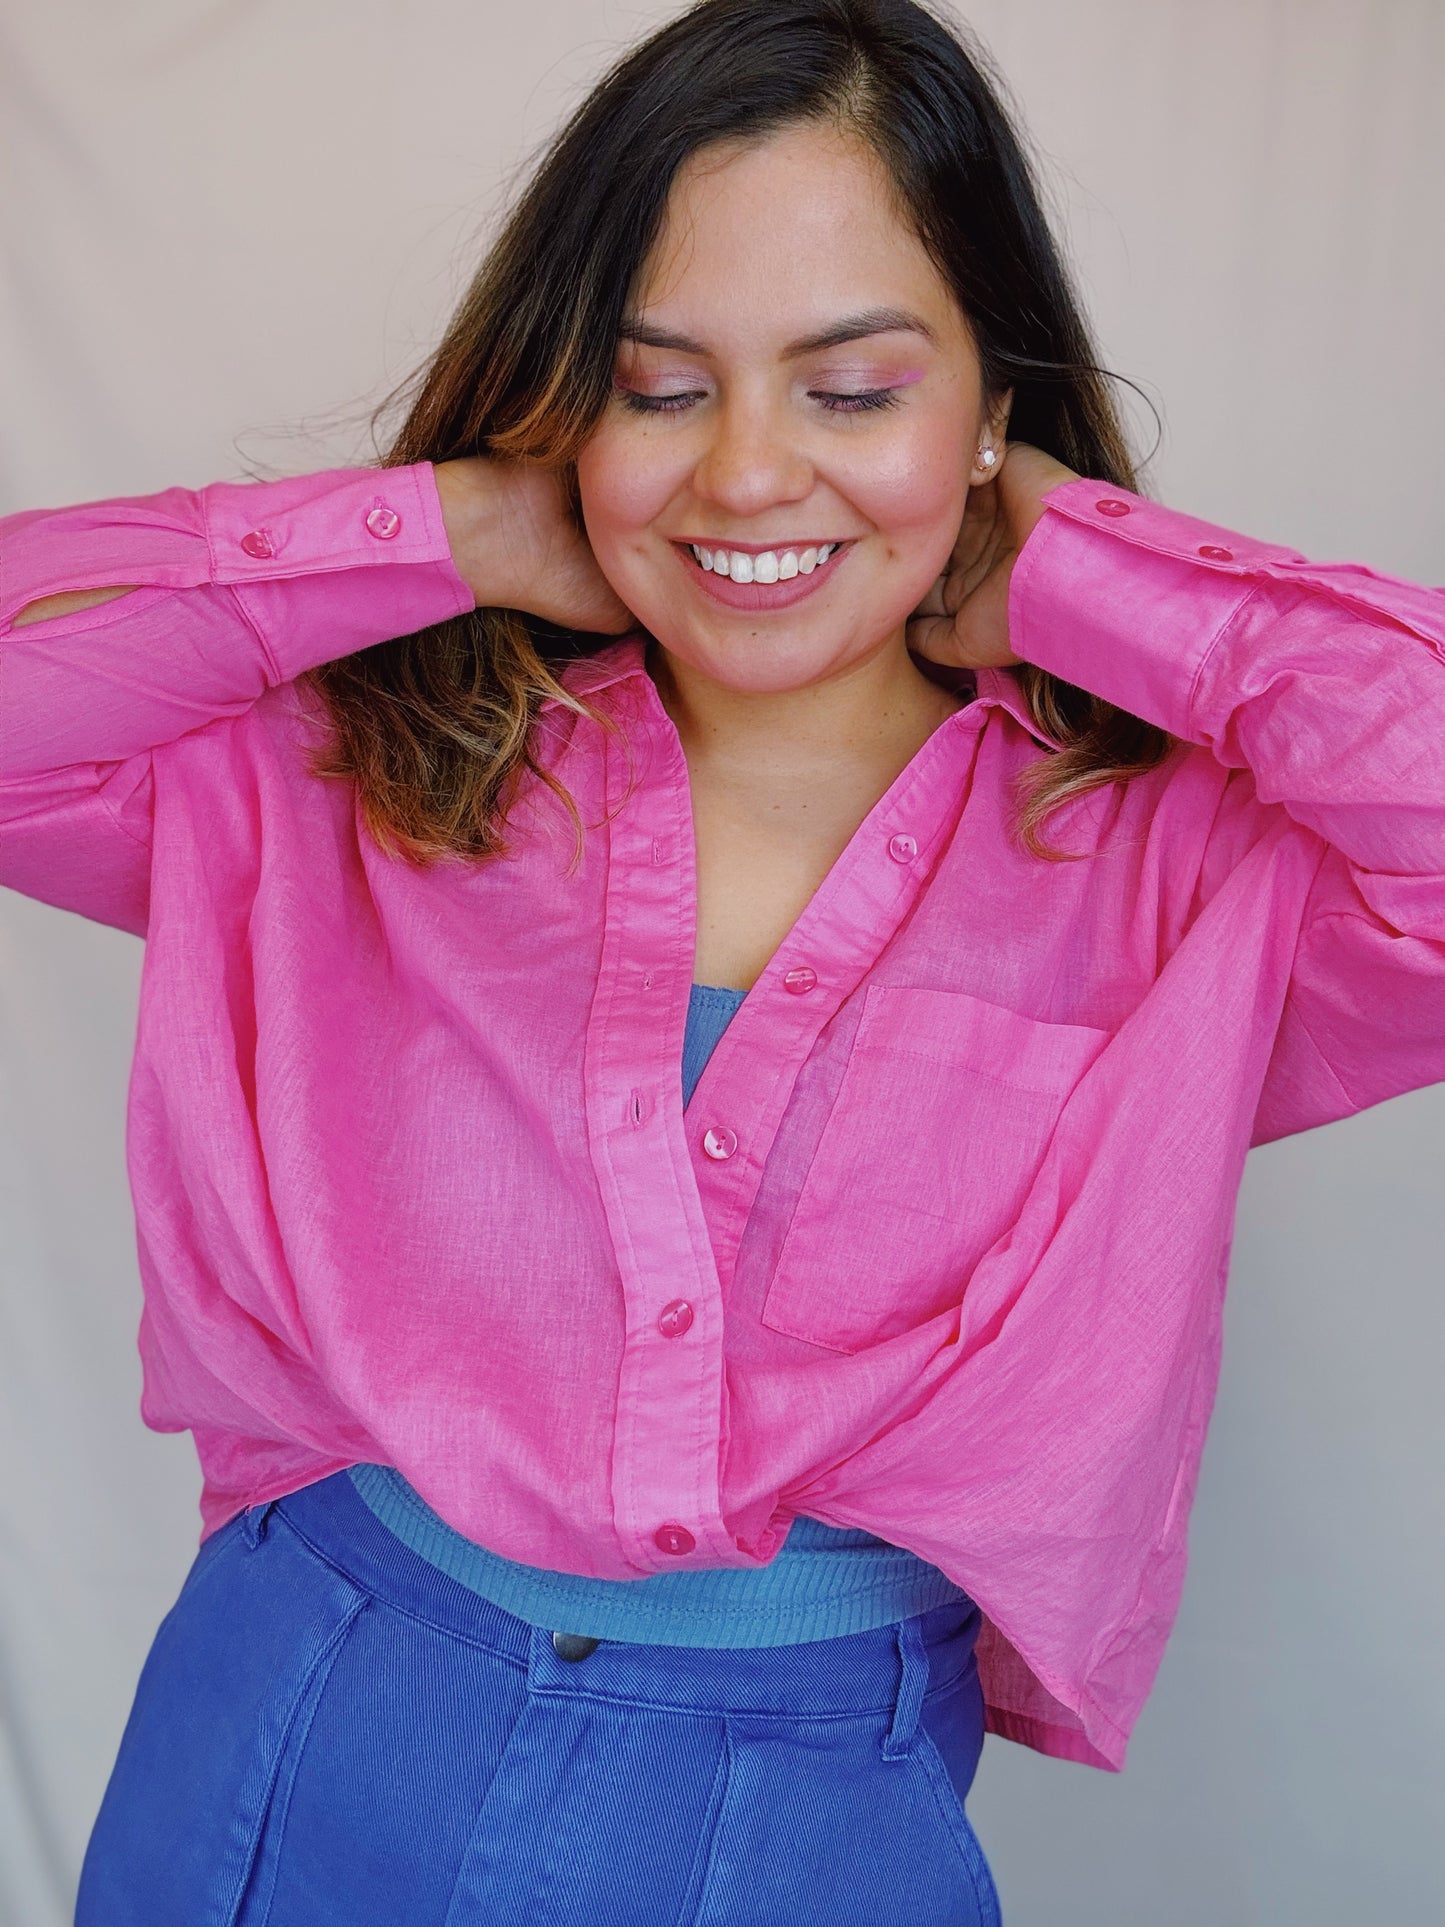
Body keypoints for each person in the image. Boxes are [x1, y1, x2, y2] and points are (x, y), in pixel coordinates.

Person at [2, 0, 1442, 1920]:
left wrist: (1092, 583)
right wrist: (462, 526)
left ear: (989, 402)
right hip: (303, 1706)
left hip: (803, 1801)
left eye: (850, 391)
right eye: (657, 388)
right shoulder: (357, 775)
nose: (748, 475)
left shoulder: (1184, 861)